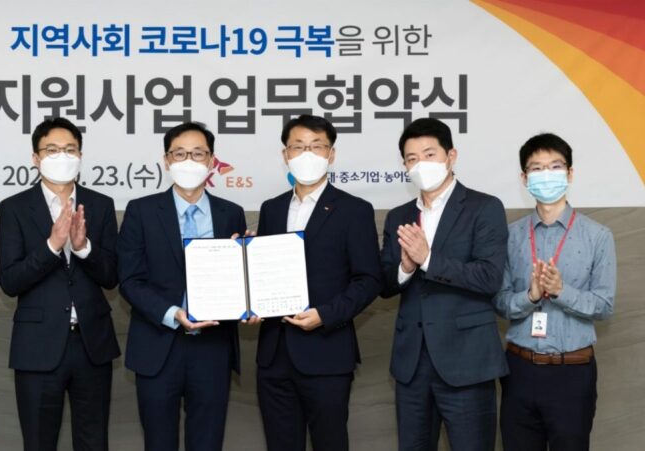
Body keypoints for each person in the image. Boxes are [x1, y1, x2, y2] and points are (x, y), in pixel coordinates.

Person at [253, 114, 382, 451]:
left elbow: (369, 279)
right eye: (298, 147)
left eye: (316, 146)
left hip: (327, 353)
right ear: (286, 155)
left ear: (331, 154)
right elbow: (263, 272)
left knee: (330, 443)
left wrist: (325, 314)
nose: (306, 154)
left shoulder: (354, 210)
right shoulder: (271, 209)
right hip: (274, 355)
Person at [117, 122, 247, 451]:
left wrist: (249, 267)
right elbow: (130, 280)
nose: (189, 161)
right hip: (158, 344)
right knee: (158, 442)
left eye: (198, 154)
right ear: (166, 160)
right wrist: (173, 313)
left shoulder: (231, 214)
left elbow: (239, 280)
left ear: (211, 160)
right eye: (180, 154)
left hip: (213, 348)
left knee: (208, 442)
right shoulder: (141, 211)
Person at [380, 118, 508, 450]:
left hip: (467, 362)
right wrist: (405, 268)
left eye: (429, 154)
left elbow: (489, 277)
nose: (420, 164)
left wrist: (428, 259)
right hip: (412, 364)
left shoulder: (484, 207)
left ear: (451, 156)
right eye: (411, 158)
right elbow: (385, 284)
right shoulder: (398, 216)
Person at [0, 117, 120, 451]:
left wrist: (84, 248)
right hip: (37, 347)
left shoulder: (101, 205)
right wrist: (52, 247)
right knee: (38, 442)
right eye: (52, 150)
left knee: (94, 442)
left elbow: (112, 276)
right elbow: (10, 281)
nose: (62, 156)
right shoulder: (14, 208)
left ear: (80, 155)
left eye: (70, 149)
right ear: (35, 158)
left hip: (91, 344)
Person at [493, 133, 616, 451]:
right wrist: (530, 297)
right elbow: (500, 302)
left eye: (555, 166)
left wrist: (561, 291)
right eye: (536, 168)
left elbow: (604, 305)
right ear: (524, 178)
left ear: (570, 173)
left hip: (571, 372)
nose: (546, 175)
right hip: (519, 370)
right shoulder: (510, 236)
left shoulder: (598, 236)